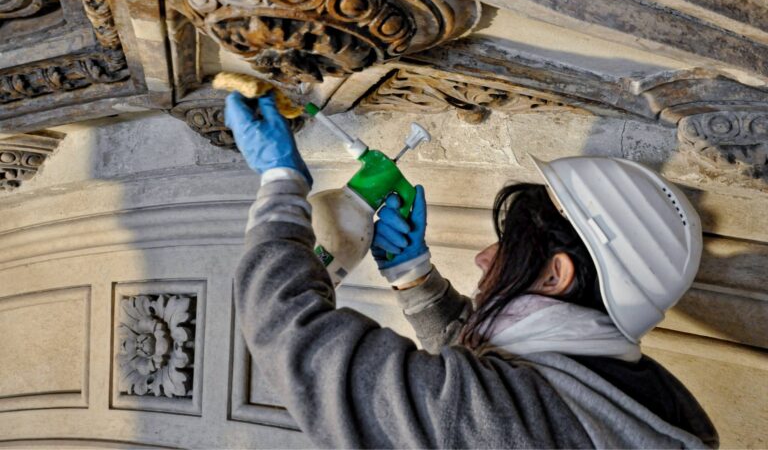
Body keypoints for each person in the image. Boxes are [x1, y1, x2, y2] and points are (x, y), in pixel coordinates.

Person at [226, 91, 719, 449]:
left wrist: (280, 182)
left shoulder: (510, 426)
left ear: (555, 275)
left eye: (509, 246)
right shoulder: (652, 400)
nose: (484, 258)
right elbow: (504, 384)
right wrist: (416, 277)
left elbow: (292, 335)